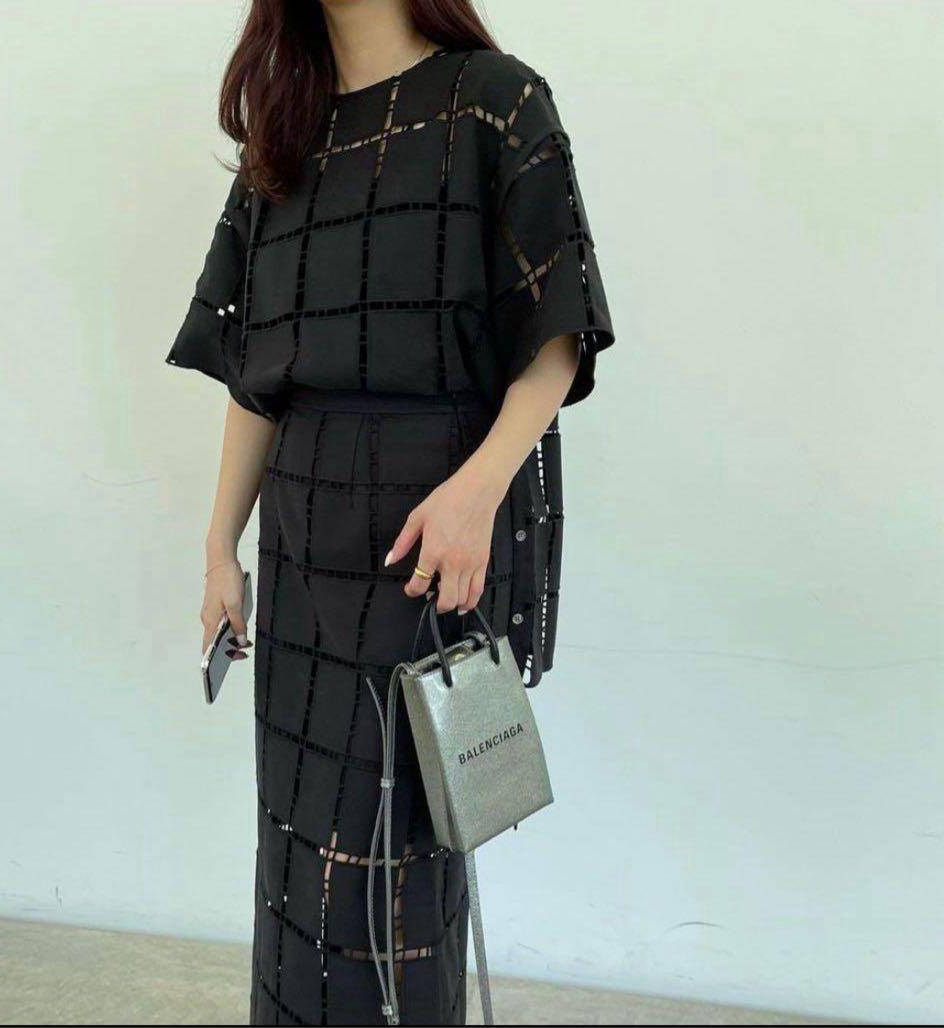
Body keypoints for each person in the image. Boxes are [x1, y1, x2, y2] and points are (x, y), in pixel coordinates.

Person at [165, 1, 615, 1023]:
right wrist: (219, 547)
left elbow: (557, 327)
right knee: (297, 849)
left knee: (394, 866)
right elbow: (255, 378)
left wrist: (478, 489)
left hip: (432, 534)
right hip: (304, 535)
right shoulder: (285, 137)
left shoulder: (495, 101)